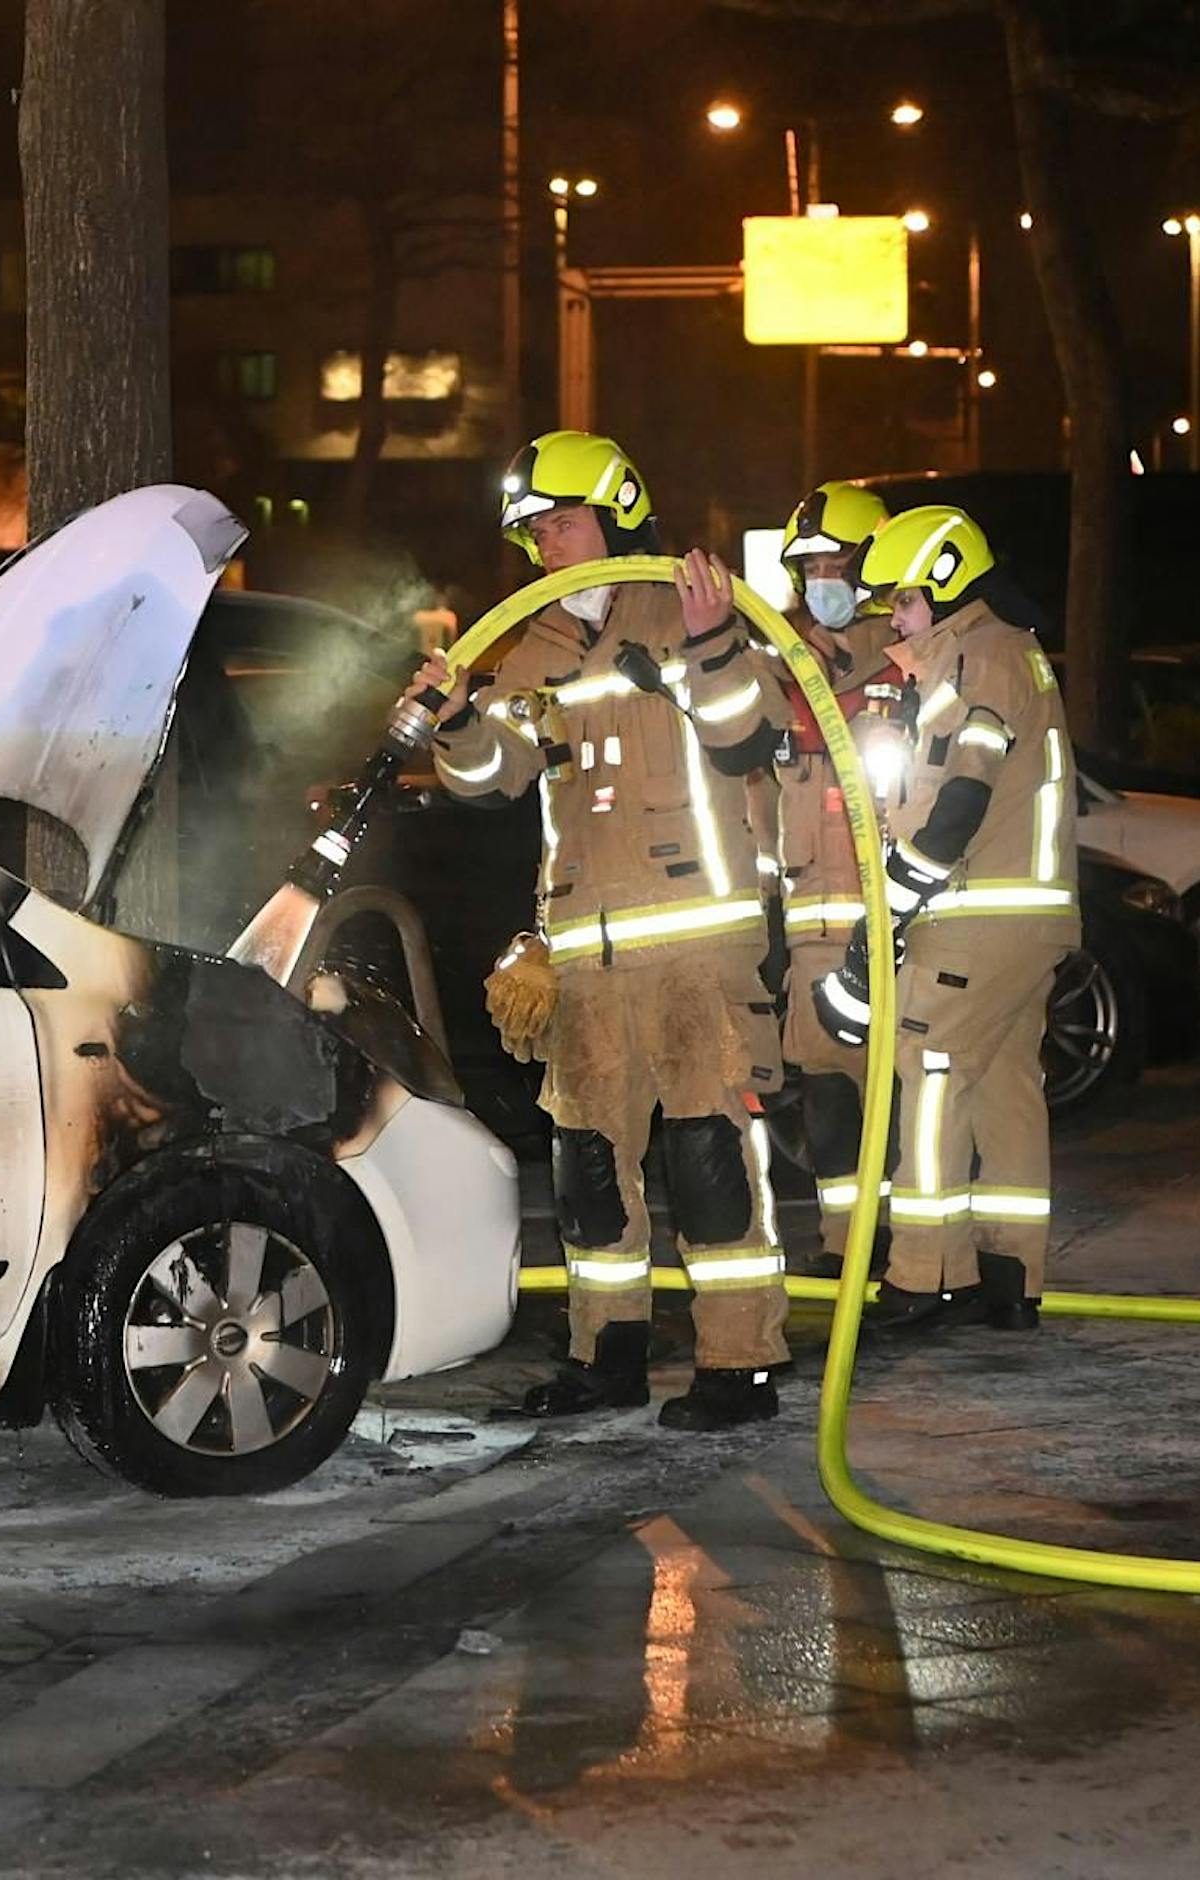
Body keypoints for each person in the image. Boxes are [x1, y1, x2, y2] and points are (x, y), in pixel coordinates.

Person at [405, 430, 790, 1431]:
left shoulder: (691, 606)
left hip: (694, 945)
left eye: (557, 519)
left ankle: (737, 1361)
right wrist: (453, 719)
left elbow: (748, 734)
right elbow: (493, 780)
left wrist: (707, 646)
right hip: (584, 948)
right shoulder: (531, 645)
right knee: (583, 1164)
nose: (542, 542)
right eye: (529, 529)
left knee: (706, 1156)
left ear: (615, 508)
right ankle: (604, 1350)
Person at [812, 504, 1079, 1332]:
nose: (891, 616)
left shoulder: (981, 658)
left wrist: (889, 904)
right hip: (1020, 920)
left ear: (945, 581)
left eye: (900, 601)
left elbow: (962, 798)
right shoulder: (993, 655)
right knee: (1004, 1089)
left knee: (928, 1073)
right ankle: (1009, 1277)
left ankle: (926, 1275)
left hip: (976, 915)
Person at [767, 482, 906, 1278]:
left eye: (837, 561)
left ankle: (919, 1252)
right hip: (813, 928)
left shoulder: (910, 656)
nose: (823, 577)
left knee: (904, 1093)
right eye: (810, 563)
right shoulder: (783, 665)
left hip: (900, 921)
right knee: (825, 1090)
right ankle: (845, 1245)